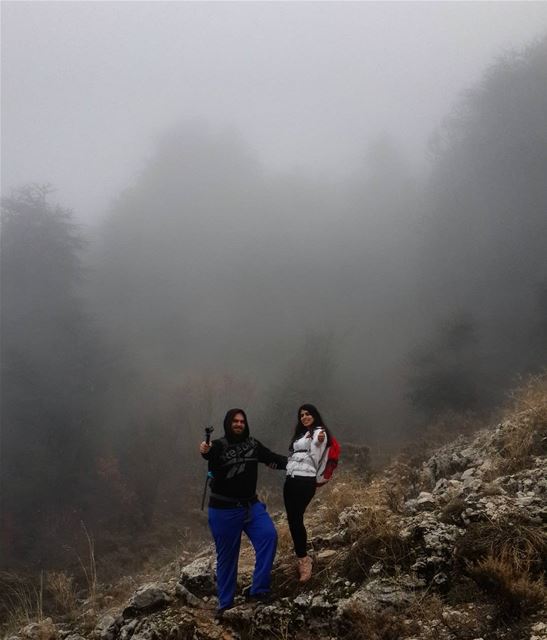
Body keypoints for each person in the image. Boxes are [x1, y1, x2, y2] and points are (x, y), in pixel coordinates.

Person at [200, 408, 287, 619]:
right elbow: (209, 453)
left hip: (251, 506)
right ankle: (225, 603)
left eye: (242, 421)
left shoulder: (253, 444)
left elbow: (272, 458)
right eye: (235, 421)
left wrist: (299, 462)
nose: (239, 424)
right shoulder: (219, 445)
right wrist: (205, 449)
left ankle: (259, 590)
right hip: (223, 510)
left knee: (269, 536)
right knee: (228, 557)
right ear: (228, 423)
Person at [284, 403, 330, 582]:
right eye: (301, 415)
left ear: (315, 415)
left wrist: (318, 436)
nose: (304, 417)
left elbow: (319, 440)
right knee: (293, 519)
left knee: (296, 518)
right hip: (291, 479)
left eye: (308, 414)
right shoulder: (300, 435)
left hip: (306, 480)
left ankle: (304, 560)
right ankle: (302, 556)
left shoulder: (320, 431)